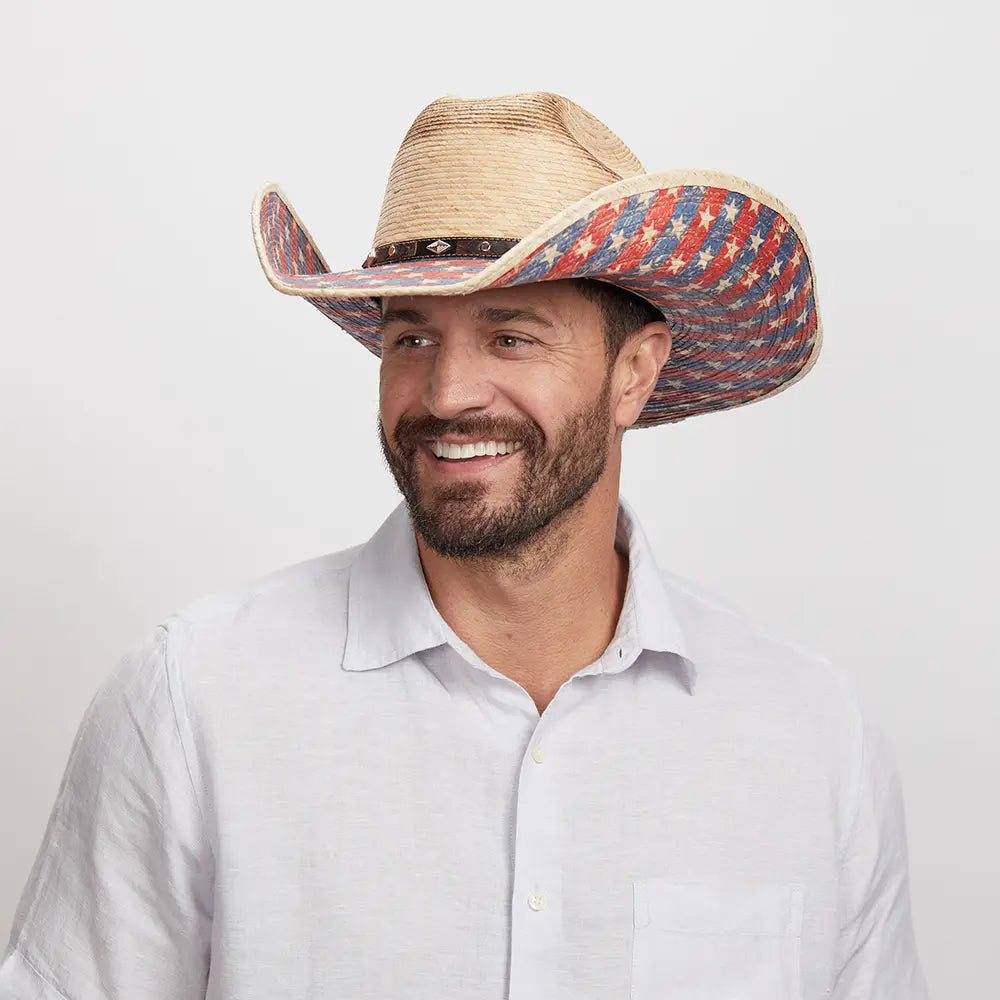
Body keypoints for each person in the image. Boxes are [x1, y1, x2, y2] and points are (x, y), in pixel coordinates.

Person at [0, 91, 930, 999]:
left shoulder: (808, 735)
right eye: (411, 337)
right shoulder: (194, 703)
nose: (446, 394)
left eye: (511, 336)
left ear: (634, 373)